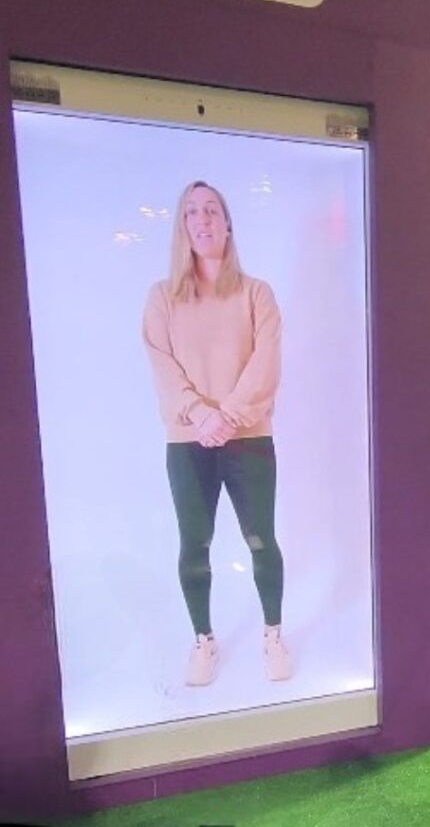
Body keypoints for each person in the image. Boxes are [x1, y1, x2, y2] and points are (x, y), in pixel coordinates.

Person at [143, 180, 292, 687]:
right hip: (187, 443)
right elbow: (162, 367)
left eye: (211, 210)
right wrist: (198, 415)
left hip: (249, 438)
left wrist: (226, 415)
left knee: (260, 539)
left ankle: (273, 634)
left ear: (228, 224)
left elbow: (265, 363)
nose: (202, 220)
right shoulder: (161, 299)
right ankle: (203, 640)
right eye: (191, 213)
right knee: (195, 543)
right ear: (182, 228)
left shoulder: (257, 294)